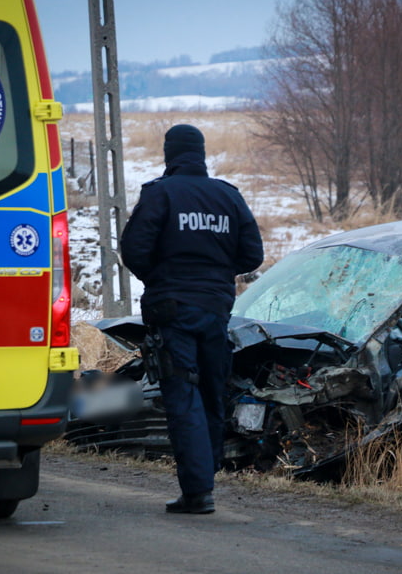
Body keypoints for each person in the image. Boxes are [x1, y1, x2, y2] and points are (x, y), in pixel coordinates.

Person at [119, 124, 264, 514]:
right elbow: (252, 255)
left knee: (182, 395)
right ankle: (207, 476)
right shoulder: (228, 196)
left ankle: (198, 492)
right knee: (212, 392)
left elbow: (133, 249)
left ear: (170, 154)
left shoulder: (159, 194)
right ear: (201, 153)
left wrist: (161, 278)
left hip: (173, 310)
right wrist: (216, 273)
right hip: (216, 309)